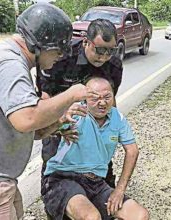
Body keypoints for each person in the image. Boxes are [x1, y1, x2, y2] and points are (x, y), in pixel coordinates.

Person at [0, 3, 98, 219]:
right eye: (58, 50)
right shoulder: (9, 64)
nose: (61, 56)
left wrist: (58, 122)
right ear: (40, 44)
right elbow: (26, 118)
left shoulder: (5, 56)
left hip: (0, 181)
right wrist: (72, 94)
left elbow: (30, 130)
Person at [41, 77, 149, 220]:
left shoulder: (118, 118)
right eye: (95, 98)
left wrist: (119, 190)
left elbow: (132, 151)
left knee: (140, 215)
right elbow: (43, 131)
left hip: (96, 182)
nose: (102, 102)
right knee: (91, 217)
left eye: (107, 97)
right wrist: (60, 123)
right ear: (85, 98)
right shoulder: (76, 113)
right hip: (64, 178)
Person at [40, 18, 123, 188]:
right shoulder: (61, 57)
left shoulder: (113, 65)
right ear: (86, 41)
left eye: (110, 51)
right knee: (55, 158)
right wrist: (59, 126)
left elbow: (110, 101)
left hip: (94, 120)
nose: (104, 56)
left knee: (101, 157)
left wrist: (111, 131)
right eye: (99, 50)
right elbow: (44, 96)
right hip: (59, 117)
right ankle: (53, 196)